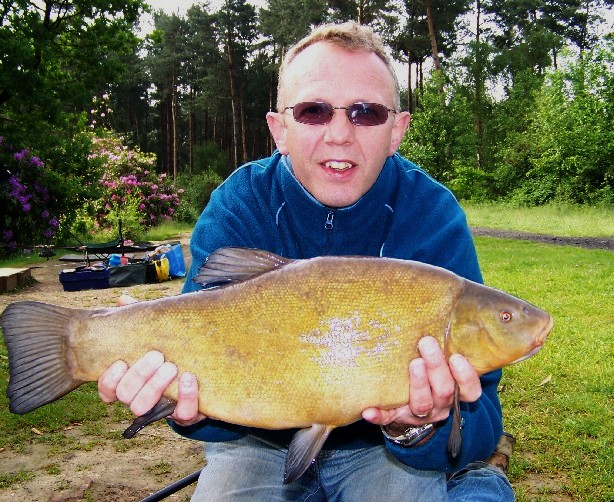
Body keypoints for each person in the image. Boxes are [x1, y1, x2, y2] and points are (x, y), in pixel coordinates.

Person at [98, 21, 514, 501]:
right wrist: (188, 411)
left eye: (366, 112)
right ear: (280, 129)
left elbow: (481, 422)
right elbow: (198, 374)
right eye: (314, 111)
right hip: (254, 441)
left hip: (379, 448)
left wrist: (417, 430)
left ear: (397, 130)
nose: (340, 133)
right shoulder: (240, 204)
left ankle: (478, 482)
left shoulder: (432, 216)